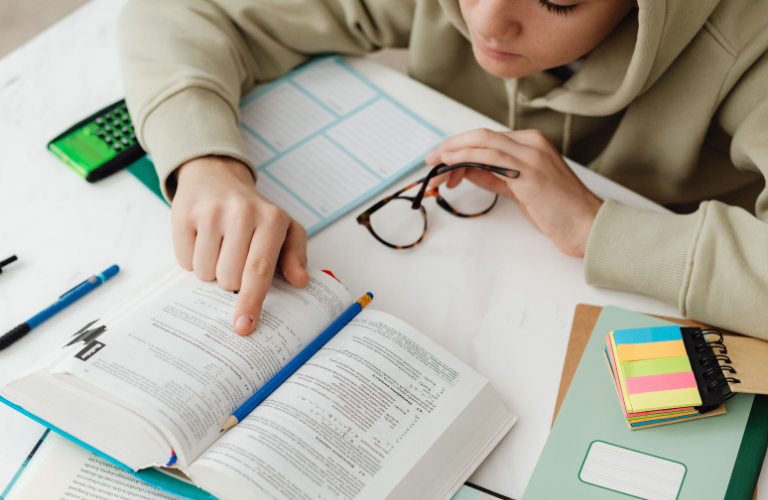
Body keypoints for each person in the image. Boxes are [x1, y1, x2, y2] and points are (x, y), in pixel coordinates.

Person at [117, 0, 768, 339]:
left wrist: (600, 226)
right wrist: (206, 164)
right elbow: (177, 11)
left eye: (557, 0)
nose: (485, 20)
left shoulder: (751, 41)